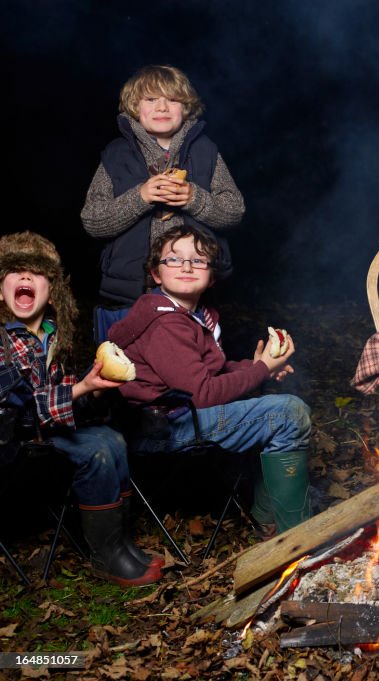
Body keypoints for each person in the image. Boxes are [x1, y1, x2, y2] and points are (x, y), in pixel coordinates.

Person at [108, 226, 311, 534]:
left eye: (198, 260)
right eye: (174, 259)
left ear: (211, 276)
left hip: (182, 414)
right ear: (156, 273)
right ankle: (296, 536)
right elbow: (201, 394)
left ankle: (268, 520)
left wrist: (258, 367)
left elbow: (206, 373)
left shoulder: (196, 315)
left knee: (286, 412)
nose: (187, 266)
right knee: (288, 413)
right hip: (163, 426)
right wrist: (260, 370)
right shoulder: (164, 322)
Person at [0, 232, 162, 586]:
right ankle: (107, 558)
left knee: (112, 438)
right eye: (15, 271)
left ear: (52, 291)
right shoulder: (2, 341)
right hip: (13, 444)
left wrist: (94, 390)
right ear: (0, 290)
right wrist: (80, 389)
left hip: (48, 436)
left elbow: (67, 401)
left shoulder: (56, 336)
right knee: (96, 449)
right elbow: (21, 411)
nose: (26, 278)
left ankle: (119, 543)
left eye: (37, 273)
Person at [81, 64, 244, 330]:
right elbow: (93, 221)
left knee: (193, 365)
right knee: (127, 368)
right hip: (131, 293)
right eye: (151, 99)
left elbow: (234, 211)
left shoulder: (206, 151)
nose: (162, 107)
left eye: (172, 100)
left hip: (193, 293)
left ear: (187, 108)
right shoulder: (116, 155)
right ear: (134, 107)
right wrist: (140, 197)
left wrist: (194, 198)